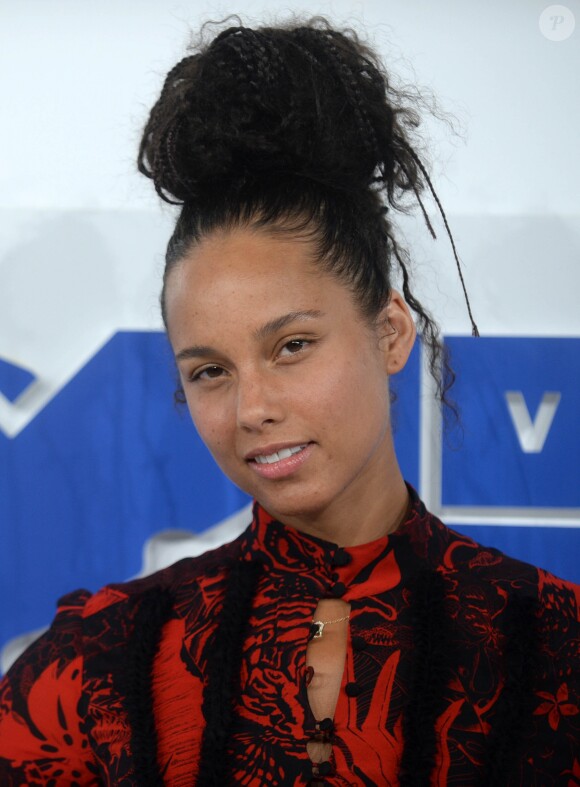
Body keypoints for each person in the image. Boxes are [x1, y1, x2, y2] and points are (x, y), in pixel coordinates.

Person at [0, 16, 578, 787]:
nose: (252, 407)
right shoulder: (98, 664)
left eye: (292, 346)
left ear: (391, 331)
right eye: (210, 370)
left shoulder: (555, 644)